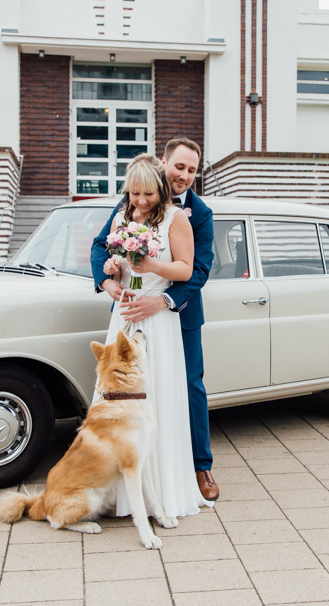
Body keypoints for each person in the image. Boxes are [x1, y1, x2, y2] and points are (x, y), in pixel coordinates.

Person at [92, 139, 218, 502]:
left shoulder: (198, 213)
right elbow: (104, 245)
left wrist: (161, 300)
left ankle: (199, 466)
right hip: (131, 310)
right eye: (179, 167)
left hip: (178, 313)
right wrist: (107, 278)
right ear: (164, 162)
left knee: (187, 387)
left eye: (192, 170)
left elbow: (198, 271)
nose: (184, 176)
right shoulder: (134, 198)